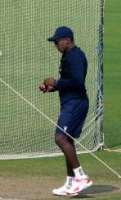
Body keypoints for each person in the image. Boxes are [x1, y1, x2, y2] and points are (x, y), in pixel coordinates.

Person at [39, 26, 93, 196]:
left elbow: (78, 81)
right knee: (67, 140)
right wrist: (52, 88)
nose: (55, 45)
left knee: (60, 137)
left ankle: (81, 177)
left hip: (76, 103)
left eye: (57, 41)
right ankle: (71, 183)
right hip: (70, 102)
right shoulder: (67, 56)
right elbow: (68, 81)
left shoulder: (75, 57)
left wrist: (56, 82)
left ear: (67, 40)